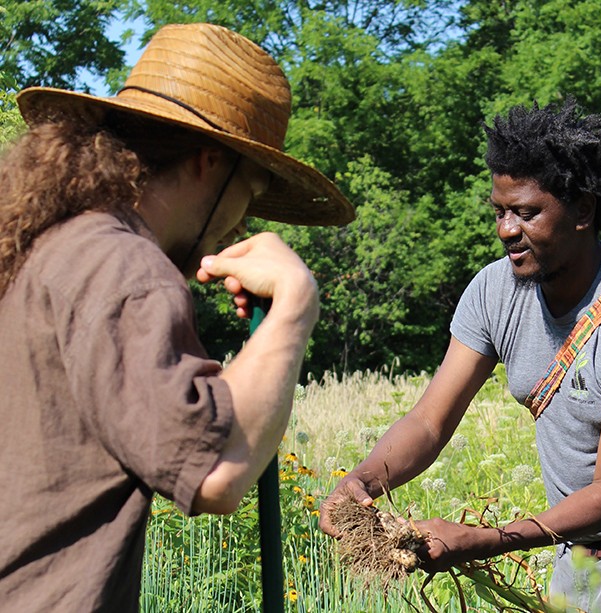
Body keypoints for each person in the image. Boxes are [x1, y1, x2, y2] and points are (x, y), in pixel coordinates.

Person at [320, 98, 601, 612]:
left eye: (526, 212)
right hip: (577, 548)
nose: (506, 229)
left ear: (583, 210)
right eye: (500, 211)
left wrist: (486, 540)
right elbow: (428, 421)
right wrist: (361, 481)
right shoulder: (496, 290)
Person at [0, 23, 353, 612]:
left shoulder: (48, 247)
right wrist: (295, 303)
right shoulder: (125, 267)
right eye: (249, 191)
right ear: (209, 162)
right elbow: (215, 472)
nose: (242, 224)